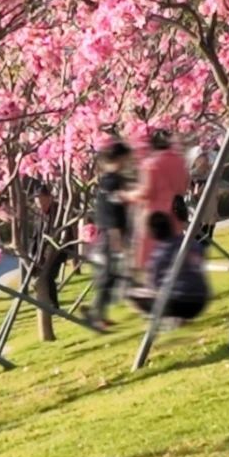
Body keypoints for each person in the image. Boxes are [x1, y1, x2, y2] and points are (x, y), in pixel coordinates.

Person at [125, 211, 210, 323]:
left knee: (131, 293)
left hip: (178, 303)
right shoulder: (189, 243)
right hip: (201, 299)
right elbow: (202, 253)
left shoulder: (159, 254)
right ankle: (177, 320)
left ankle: (163, 319)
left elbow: (154, 285)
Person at [133, 129, 190, 272]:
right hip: (176, 213)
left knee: (153, 262)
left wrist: (130, 195)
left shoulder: (150, 164)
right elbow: (185, 185)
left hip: (155, 219)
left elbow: (146, 192)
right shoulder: (180, 161)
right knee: (174, 259)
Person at [90, 140, 132, 333]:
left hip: (110, 232)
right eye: (126, 158)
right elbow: (110, 211)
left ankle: (99, 314)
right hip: (111, 233)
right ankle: (96, 315)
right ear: (120, 158)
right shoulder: (112, 181)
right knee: (108, 275)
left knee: (110, 275)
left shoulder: (109, 179)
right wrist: (116, 236)